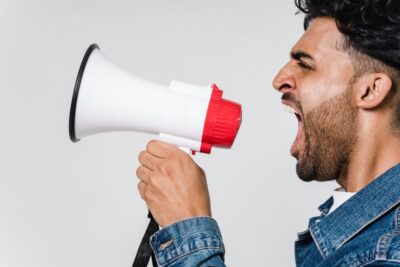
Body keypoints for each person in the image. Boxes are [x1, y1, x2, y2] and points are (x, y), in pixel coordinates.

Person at [136, 0, 400, 265]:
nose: (279, 79)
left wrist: (187, 227)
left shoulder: (389, 253)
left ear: (371, 90)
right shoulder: (358, 236)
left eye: (305, 65)